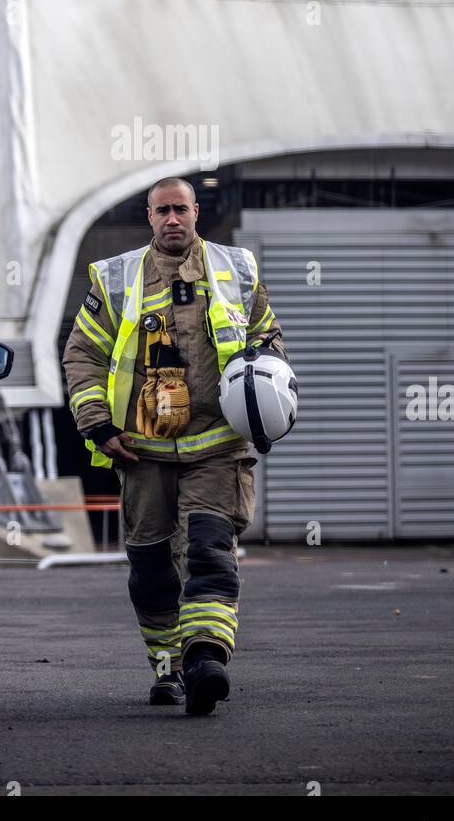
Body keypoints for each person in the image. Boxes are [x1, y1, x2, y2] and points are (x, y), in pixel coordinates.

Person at [62, 176, 288, 715]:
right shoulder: (116, 279)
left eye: (180, 210)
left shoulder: (237, 270)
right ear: (148, 216)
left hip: (218, 447)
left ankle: (205, 658)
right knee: (152, 566)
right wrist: (97, 425)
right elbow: (82, 356)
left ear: (196, 213)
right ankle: (166, 666)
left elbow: (268, 341)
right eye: (162, 210)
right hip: (141, 451)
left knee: (209, 550)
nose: (172, 219)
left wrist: (267, 400)